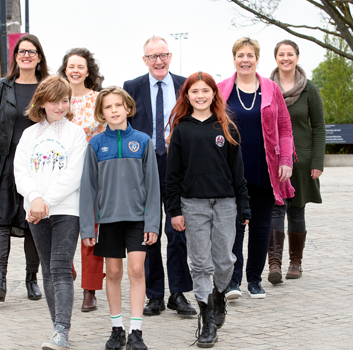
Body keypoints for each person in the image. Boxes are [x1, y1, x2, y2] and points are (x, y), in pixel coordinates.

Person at [166, 72, 250, 347]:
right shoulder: (181, 130)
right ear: (187, 96)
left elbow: (238, 172)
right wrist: (174, 210)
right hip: (193, 205)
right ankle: (207, 318)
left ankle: (219, 296)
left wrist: (244, 204)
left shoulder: (227, 128)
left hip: (225, 203)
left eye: (205, 91)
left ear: (214, 94)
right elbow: (173, 176)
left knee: (224, 260)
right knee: (200, 263)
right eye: (194, 92)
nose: (200, 96)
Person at [80, 86, 160, 350]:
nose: (113, 110)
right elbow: (88, 188)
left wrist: (152, 223)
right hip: (109, 221)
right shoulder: (95, 145)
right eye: (107, 107)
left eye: (118, 105)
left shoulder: (143, 141)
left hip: (138, 219)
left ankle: (136, 330)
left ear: (127, 108)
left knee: (137, 270)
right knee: (113, 273)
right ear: (101, 113)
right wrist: (87, 226)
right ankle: (117, 328)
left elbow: (153, 186)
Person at [123, 36, 195, 317]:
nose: (158, 61)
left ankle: (178, 293)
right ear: (145, 60)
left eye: (163, 55)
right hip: (145, 168)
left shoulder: (185, 85)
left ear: (170, 56)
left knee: (177, 231)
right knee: (149, 232)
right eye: (152, 56)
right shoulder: (132, 87)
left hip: (177, 167)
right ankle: (154, 295)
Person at [217, 37, 295, 300]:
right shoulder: (222, 89)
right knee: (236, 227)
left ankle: (255, 280)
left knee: (261, 226)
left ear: (257, 59)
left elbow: (284, 127)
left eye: (250, 55)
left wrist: (285, 159)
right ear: (234, 58)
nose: (245, 59)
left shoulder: (271, 89)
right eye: (240, 55)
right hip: (232, 170)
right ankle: (233, 281)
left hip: (265, 168)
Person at [14, 76, 87, 350]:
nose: (60, 106)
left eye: (65, 100)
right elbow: (21, 170)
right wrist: (34, 199)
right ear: (42, 102)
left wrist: (46, 201)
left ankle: (61, 331)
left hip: (67, 210)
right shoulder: (29, 134)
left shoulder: (75, 133)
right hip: (36, 212)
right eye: (55, 100)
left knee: (60, 268)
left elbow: (73, 175)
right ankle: (57, 327)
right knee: (47, 269)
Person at [0, 34, 49, 302]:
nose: (27, 55)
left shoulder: (47, 87)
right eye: (22, 51)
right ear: (16, 56)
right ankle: (0, 280)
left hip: (37, 165)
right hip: (4, 162)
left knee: (33, 221)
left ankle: (32, 279)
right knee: (1, 220)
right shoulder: (1, 86)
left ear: (39, 57)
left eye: (32, 51)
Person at [268, 40, 325, 283]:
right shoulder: (267, 88)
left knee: (297, 210)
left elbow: (319, 126)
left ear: (297, 57)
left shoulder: (309, 89)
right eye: (281, 54)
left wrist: (317, 161)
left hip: (301, 160)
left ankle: (296, 263)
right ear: (276, 58)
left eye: (290, 54)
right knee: (275, 209)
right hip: (274, 159)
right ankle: (275, 264)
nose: (286, 58)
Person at [58, 47, 106, 312]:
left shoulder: (98, 99)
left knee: (91, 233)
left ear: (88, 71)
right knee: (63, 228)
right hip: (61, 174)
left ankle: (90, 290)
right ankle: (67, 269)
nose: (75, 71)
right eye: (71, 66)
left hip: (91, 174)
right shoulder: (56, 99)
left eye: (80, 66)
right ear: (65, 69)